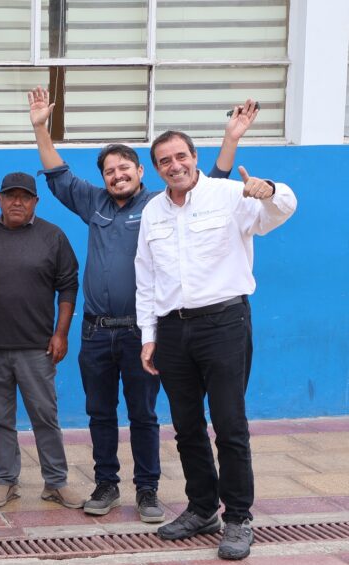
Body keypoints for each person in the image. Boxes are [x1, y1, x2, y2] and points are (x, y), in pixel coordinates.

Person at [27, 86, 259, 523]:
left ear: (141, 171)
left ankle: (149, 490)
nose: (117, 175)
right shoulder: (92, 202)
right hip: (96, 331)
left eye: (124, 167)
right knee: (99, 413)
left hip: (143, 331)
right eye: (109, 170)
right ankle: (106, 483)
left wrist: (231, 140)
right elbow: (58, 175)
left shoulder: (161, 204)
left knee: (144, 415)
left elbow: (213, 184)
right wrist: (41, 128)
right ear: (103, 178)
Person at [136, 130, 296, 560]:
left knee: (229, 425)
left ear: (194, 157)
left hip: (224, 323)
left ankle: (239, 518)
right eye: (165, 161)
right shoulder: (153, 211)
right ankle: (202, 507)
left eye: (181, 156)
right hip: (172, 331)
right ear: (157, 169)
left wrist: (270, 191)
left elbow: (280, 211)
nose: (175, 165)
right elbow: (146, 278)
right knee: (186, 427)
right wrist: (149, 337)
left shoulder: (230, 194)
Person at [0, 172, 82, 510]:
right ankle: (6, 481)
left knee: (45, 417)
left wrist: (61, 333)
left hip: (37, 348)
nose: (17, 202)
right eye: (10, 196)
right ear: (0, 200)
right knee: (0, 419)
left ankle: (56, 482)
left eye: (24, 196)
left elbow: (68, 286)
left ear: (36, 201)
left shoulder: (53, 237)